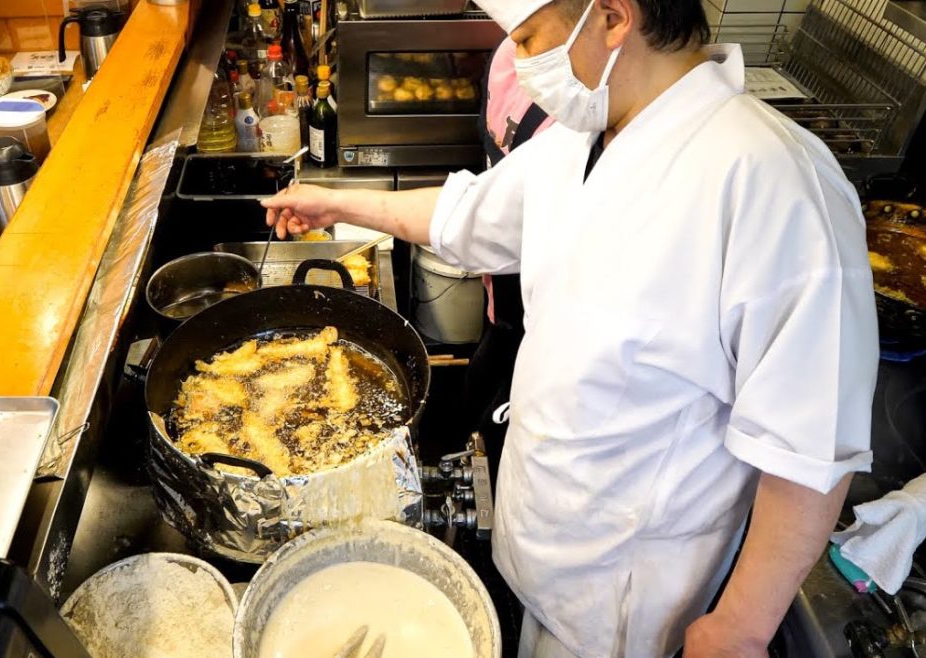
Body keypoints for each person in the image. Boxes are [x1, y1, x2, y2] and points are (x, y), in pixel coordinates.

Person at [263, 1, 879, 656]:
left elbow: (808, 447)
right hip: (542, 533)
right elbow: (468, 214)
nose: (522, 66)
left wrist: (740, 626)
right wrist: (334, 202)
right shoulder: (584, 136)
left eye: (529, 40)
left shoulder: (775, 184)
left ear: (613, 18)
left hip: (626, 596)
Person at [463, 37, 550, 464]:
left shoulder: (585, 106)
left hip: (544, 311)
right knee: (478, 396)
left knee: (502, 431)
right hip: (499, 285)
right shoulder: (508, 56)